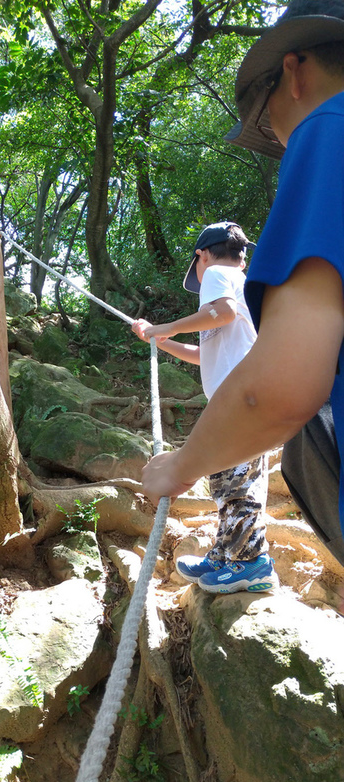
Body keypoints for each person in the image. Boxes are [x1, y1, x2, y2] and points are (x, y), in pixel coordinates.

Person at [140, 0, 344, 571]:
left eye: (264, 112)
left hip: (243, 415)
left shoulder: (328, 128)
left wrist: (178, 465)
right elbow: (218, 348)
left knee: (233, 491)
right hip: (243, 410)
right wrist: (164, 341)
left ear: (294, 72)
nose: (276, 134)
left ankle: (243, 564)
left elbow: (276, 383)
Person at [133, 222, 277, 594]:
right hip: (246, 398)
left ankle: (251, 562)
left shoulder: (216, 273)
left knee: (236, 485)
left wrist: (166, 327)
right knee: (229, 480)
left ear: (202, 255)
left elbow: (222, 313)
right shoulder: (242, 282)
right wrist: (160, 338)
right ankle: (227, 555)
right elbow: (206, 352)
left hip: (241, 399)